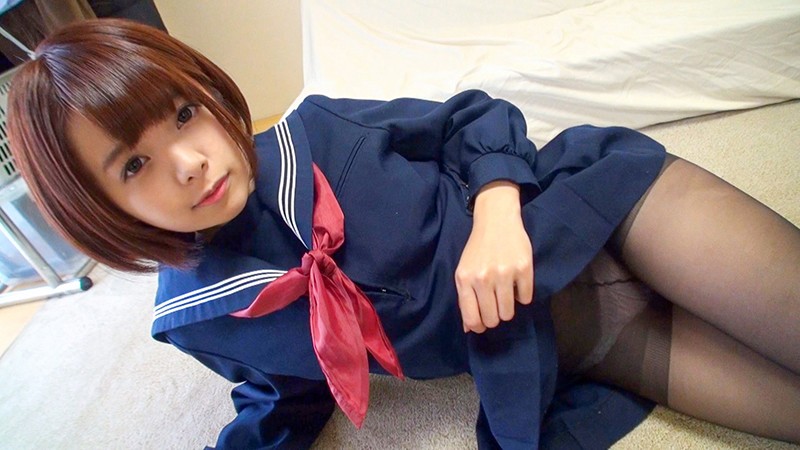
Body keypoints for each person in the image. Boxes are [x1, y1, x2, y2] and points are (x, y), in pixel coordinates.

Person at [7, 18, 800, 449]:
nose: (189, 162)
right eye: (134, 163)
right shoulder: (200, 316)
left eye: (184, 113)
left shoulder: (317, 129)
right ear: (96, 205)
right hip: (579, 342)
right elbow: (283, 391)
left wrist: (495, 212)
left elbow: (473, 118)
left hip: (603, 207)